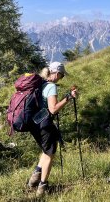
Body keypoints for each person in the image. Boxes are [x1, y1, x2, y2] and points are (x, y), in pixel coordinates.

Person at [27, 61, 77, 197]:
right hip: (45, 124)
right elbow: (53, 109)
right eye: (61, 75)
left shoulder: (40, 83)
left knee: (45, 150)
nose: (61, 78)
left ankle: (33, 180)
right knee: (50, 154)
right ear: (55, 73)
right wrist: (68, 97)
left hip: (34, 124)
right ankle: (42, 189)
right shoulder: (51, 86)